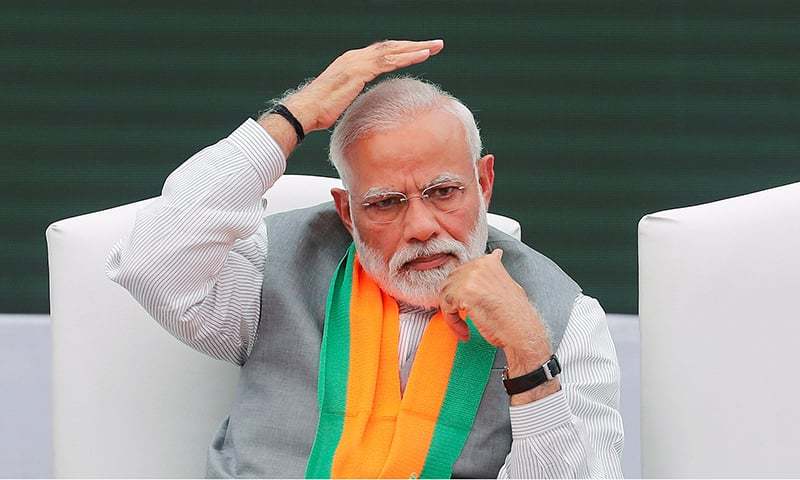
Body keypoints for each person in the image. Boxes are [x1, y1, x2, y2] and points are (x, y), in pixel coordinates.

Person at [106, 39, 624, 478]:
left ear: (484, 183)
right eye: (384, 204)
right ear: (347, 213)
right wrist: (295, 115)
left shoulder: (564, 315)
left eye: (444, 192)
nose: (421, 227)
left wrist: (529, 354)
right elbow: (151, 262)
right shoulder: (274, 266)